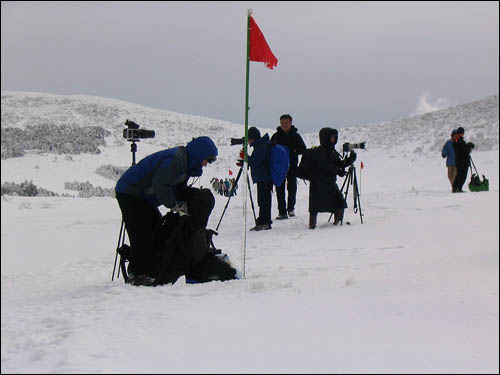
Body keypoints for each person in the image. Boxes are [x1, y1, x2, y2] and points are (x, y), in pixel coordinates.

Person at [115, 136, 218, 285]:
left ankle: (149, 270)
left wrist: (183, 201)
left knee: (155, 230)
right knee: (141, 232)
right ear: (199, 154)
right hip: (130, 193)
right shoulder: (177, 161)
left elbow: (174, 186)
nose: (206, 164)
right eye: (207, 160)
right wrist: (175, 205)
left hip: (143, 196)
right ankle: (137, 274)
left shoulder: (186, 163)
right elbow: (161, 185)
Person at [308, 128, 356, 229]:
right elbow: (324, 165)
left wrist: (350, 159)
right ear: (325, 138)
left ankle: (337, 222)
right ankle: (312, 224)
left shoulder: (332, 151)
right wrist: (338, 171)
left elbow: (339, 164)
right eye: (332, 137)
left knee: (339, 201)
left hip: (329, 182)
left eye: (335, 137)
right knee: (315, 206)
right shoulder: (319, 151)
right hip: (318, 183)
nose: (334, 139)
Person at [271, 114, 307, 219]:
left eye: (286, 123)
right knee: (279, 188)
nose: (284, 125)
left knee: (292, 187)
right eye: (282, 123)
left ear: (291, 123)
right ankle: (282, 211)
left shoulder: (296, 136)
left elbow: (303, 149)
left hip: (292, 166)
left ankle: (291, 208)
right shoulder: (276, 136)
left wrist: (294, 151)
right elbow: (270, 149)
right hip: (279, 167)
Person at [246, 127, 273, 231]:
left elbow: (256, 162)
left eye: (249, 138)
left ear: (253, 138)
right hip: (264, 177)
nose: (248, 141)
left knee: (264, 200)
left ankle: (265, 222)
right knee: (262, 200)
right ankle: (262, 221)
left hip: (264, 177)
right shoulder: (261, 145)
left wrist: (247, 158)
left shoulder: (261, 146)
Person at [452, 127, 475, 193]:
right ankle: (458, 188)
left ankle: (455, 188)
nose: (462, 134)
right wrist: (469, 147)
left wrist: (467, 146)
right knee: (462, 176)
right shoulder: (460, 141)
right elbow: (465, 150)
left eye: (462, 133)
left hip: (459, 161)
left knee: (459, 175)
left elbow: (463, 149)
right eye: (461, 133)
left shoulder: (456, 141)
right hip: (463, 162)